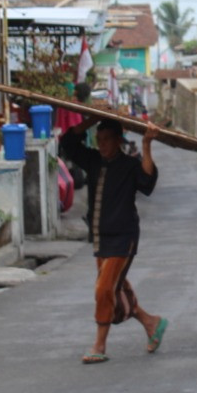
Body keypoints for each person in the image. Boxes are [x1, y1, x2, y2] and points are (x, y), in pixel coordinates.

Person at [61, 116, 168, 364]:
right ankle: (151, 322)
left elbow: (148, 183)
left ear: (118, 140)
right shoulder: (94, 161)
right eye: (99, 140)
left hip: (124, 238)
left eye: (107, 140)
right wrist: (90, 120)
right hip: (101, 238)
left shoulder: (129, 165)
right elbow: (68, 143)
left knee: (104, 289)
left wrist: (147, 145)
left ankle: (99, 344)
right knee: (115, 290)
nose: (102, 145)